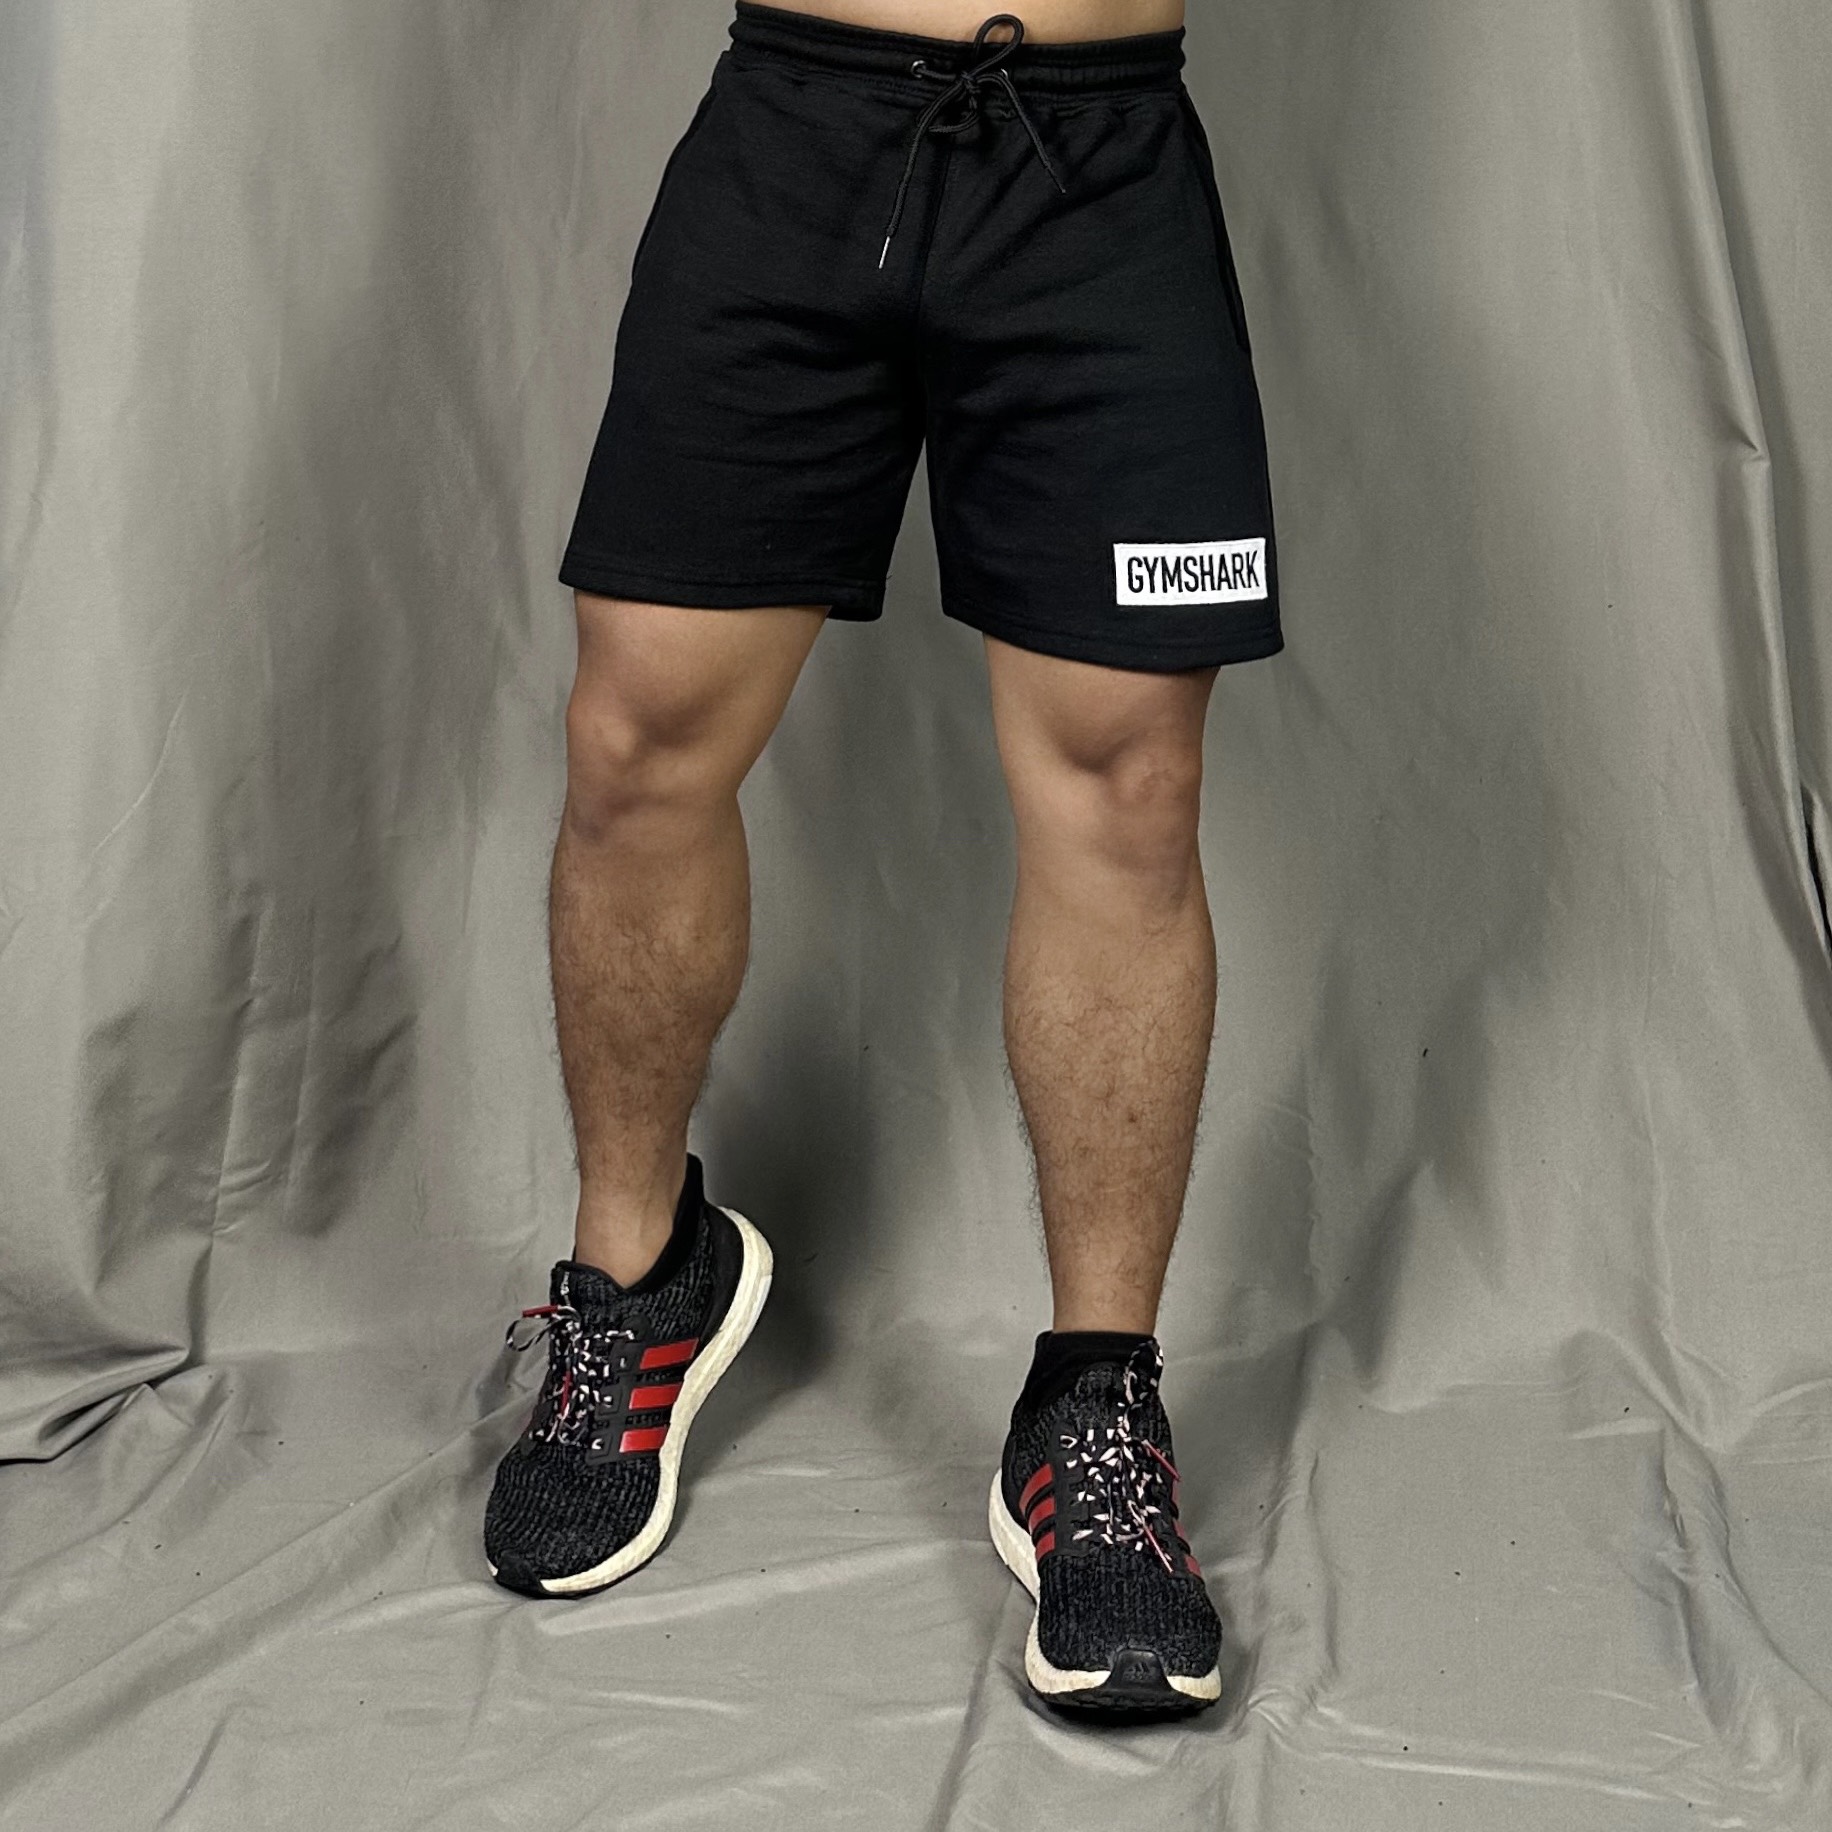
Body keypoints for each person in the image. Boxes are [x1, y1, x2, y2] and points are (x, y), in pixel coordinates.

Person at [484, 0, 1280, 1721]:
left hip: (1099, 169)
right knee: (634, 741)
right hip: (797, 128)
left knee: (1130, 785)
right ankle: (637, 1280)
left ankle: (1093, 1404)